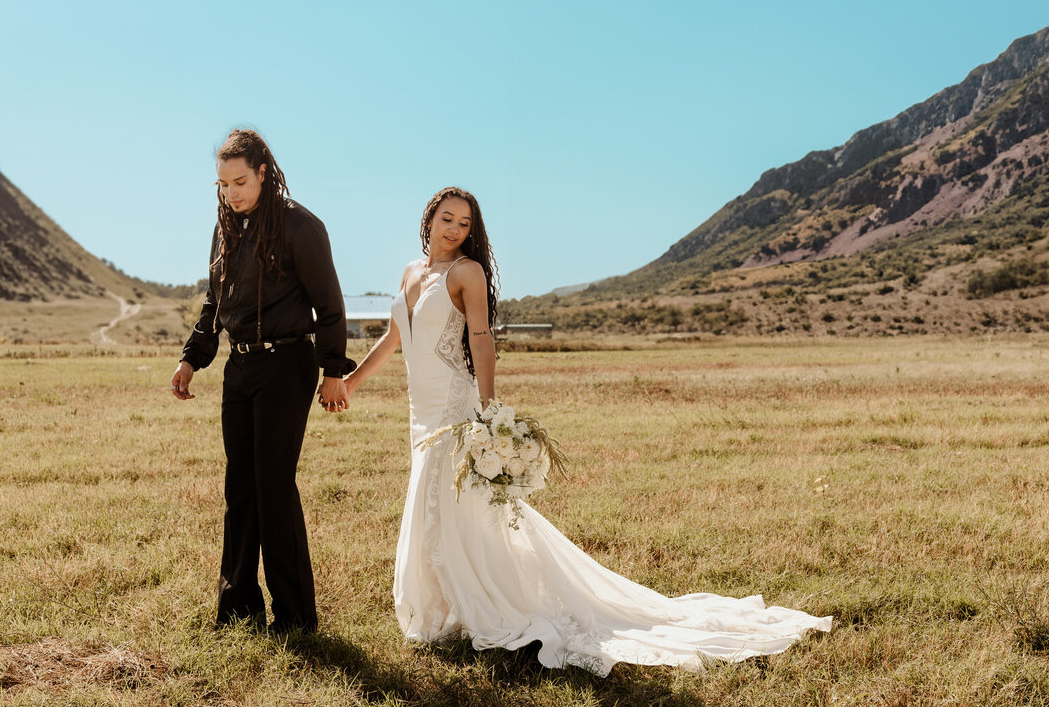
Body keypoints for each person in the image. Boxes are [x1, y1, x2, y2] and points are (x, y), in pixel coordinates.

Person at [341, 186, 831, 675]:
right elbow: (394, 337)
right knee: (448, 505)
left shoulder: (465, 273)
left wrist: (489, 411)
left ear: (472, 231)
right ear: (429, 219)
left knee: (457, 503)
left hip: (452, 403)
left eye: (464, 223)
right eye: (446, 218)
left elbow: (481, 338)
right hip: (419, 408)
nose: (453, 228)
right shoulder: (410, 272)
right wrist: (351, 383)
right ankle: (453, 605)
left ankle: (481, 604)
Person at [172, 129, 355, 636]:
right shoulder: (226, 228)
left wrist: (334, 370)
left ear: (263, 173)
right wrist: (192, 359)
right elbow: (215, 303)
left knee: (274, 486)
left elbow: (330, 304)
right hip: (240, 368)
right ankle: (239, 608)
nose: (231, 193)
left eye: (240, 181)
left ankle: (295, 617)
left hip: (287, 366)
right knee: (240, 486)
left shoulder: (301, 227)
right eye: (223, 184)